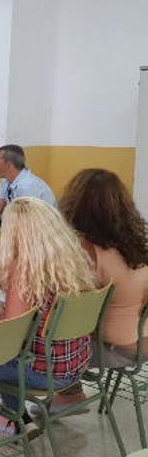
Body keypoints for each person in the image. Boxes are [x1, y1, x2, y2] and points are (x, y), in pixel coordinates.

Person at [0, 197, 96, 427]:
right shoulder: (71, 258)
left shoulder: (24, 268)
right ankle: (15, 416)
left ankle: (10, 418)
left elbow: (11, 334)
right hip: (76, 365)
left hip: (44, 374)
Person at [45, 169, 148, 412]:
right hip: (142, 339)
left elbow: (70, 312)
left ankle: (68, 395)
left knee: (45, 332)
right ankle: (68, 393)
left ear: (75, 204)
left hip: (116, 348)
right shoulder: (137, 241)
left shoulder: (89, 250)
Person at [0, 144, 55, 226]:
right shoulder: (5, 181)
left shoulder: (28, 186)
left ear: (9, 165)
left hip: (42, 229)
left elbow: (27, 221)